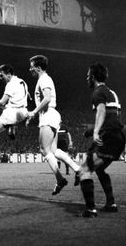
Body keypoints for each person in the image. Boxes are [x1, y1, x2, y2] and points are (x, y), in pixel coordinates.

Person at [75, 62, 125, 218]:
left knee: (84, 170)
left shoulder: (97, 92)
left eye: (88, 75)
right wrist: (91, 131)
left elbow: (102, 110)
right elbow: (114, 116)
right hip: (118, 137)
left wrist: (96, 132)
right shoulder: (112, 93)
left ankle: (90, 210)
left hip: (107, 138)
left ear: (94, 77)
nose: (87, 78)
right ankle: (111, 204)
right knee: (100, 169)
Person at [27, 55, 80, 195]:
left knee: (44, 150)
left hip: (48, 115)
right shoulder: (43, 79)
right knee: (54, 150)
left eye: (31, 66)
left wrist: (33, 112)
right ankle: (77, 169)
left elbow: (47, 98)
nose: (30, 69)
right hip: (51, 115)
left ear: (38, 68)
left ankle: (60, 179)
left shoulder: (44, 79)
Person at [0, 64, 29, 175]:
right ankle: (11, 128)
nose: (1, 78)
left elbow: (3, 101)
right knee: (6, 108)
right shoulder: (22, 81)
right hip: (23, 111)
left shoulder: (10, 84)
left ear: (8, 74)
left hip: (12, 113)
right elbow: (27, 94)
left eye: (1, 75)